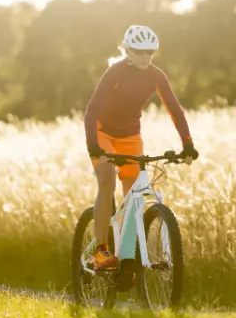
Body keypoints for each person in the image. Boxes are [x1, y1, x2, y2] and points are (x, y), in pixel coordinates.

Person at [84, 24, 198, 270]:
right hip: (103, 134)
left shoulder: (156, 75)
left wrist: (187, 144)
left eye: (150, 52)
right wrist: (94, 145)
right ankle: (101, 251)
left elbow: (174, 110)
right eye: (140, 51)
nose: (146, 56)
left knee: (133, 197)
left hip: (130, 137)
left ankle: (125, 258)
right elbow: (92, 110)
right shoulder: (115, 73)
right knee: (106, 180)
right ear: (128, 51)